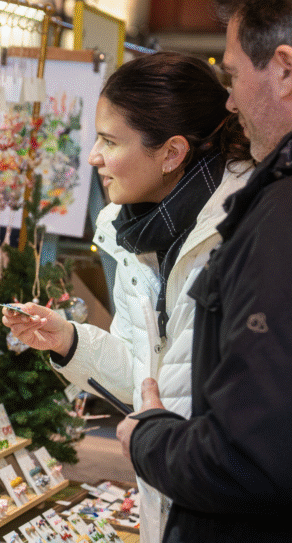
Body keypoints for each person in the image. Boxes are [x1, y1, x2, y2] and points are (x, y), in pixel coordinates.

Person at [2, 52, 253, 543]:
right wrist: (70, 342)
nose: (93, 156)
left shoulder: (243, 233)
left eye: (110, 141)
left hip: (230, 510)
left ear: (171, 153)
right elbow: (151, 380)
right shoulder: (130, 234)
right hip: (169, 494)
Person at [112, 1, 292, 541]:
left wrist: (149, 440)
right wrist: (72, 345)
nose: (229, 99)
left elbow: (251, 454)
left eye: (233, 74)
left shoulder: (274, 215)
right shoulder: (136, 232)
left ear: (284, 69)